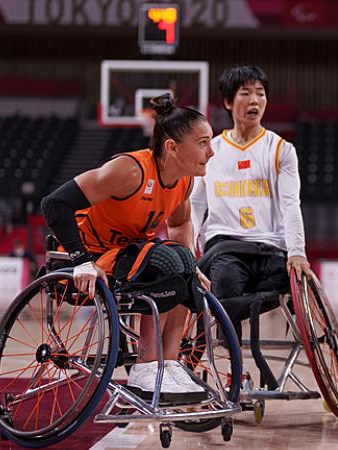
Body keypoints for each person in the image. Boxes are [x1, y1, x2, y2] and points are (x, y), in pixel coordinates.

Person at [41, 93, 214, 401]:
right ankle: (145, 367)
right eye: (202, 143)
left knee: (186, 269)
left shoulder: (184, 182)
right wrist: (81, 262)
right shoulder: (130, 171)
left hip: (126, 257)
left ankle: (169, 362)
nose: (211, 152)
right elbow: (54, 204)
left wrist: (191, 263)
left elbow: (179, 224)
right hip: (83, 257)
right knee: (166, 264)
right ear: (172, 147)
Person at [190, 66, 311, 345]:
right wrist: (189, 246)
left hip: (270, 249)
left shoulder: (282, 149)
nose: (255, 100)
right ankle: (235, 369)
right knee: (225, 282)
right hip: (226, 248)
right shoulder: (211, 151)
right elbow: (195, 205)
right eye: (246, 93)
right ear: (229, 102)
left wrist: (297, 251)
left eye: (260, 94)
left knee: (287, 283)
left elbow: (292, 204)